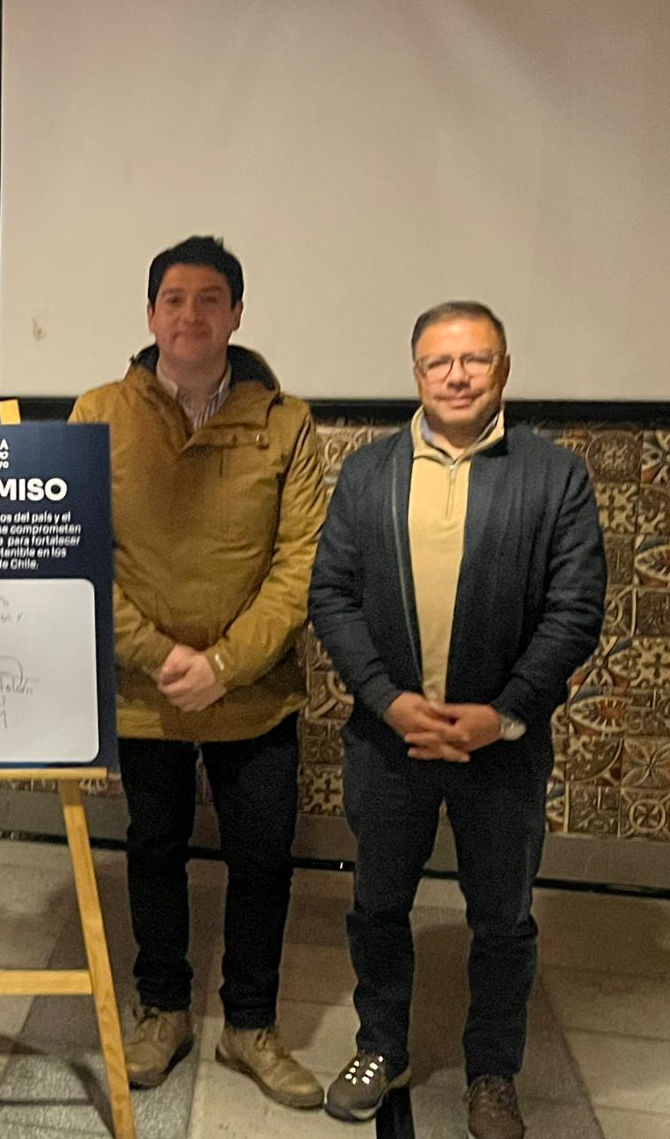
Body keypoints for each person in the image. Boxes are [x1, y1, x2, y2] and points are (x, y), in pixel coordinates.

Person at [309, 302, 605, 1139]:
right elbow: (331, 595)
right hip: (388, 742)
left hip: (502, 750)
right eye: (439, 362)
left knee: (502, 921)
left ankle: (492, 1073)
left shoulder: (556, 477)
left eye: (476, 359)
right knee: (376, 906)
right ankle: (381, 1046)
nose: (458, 376)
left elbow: (575, 612)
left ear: (503, 369)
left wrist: (503, 715)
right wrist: (388, 699)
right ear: (416, 373)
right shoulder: (368, 473)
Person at [68, 236, 326, 1108]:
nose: (191, 315)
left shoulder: (286, 421)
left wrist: (225, 663)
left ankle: (251, 1024)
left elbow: (302, 562)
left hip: (255, 693)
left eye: (210, 299)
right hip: (147, 692)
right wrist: (157, 654)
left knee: (262, 857)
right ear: (150, 315)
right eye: (174, 299)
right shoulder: (99, 412)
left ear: (237, 313)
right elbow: (77, 549)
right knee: (154, 848)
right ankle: (164, 1010)